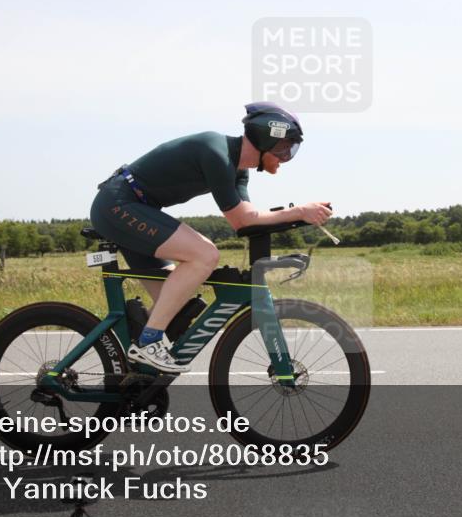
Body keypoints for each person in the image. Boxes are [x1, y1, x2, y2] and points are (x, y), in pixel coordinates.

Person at [89, 102, 333, 373]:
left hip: (135, 208)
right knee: (205, 255)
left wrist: (298, 218)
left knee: (175, 309)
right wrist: (299, 211)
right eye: (284, 148)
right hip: (118, 204)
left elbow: (249, 222)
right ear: (268, 138)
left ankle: (135, 371)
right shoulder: (216, 152)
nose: (286, 156)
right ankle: (148, 343)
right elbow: (241, 219)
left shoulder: (238, 171)